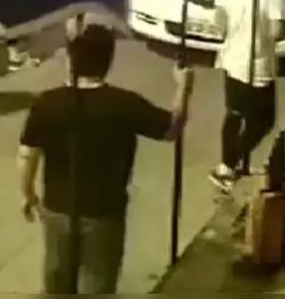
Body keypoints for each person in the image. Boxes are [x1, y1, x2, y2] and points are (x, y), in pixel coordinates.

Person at [18, 21, 194, 294]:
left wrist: (27, 194)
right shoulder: (124, 104)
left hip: (57, 208)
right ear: (108, 61)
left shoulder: (47, 103)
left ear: (71, 60)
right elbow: (172, 128)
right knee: (97, 285)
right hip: (104, 212)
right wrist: (184, 87)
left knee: (56, 282)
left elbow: (27, 154)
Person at [209, 0, 285, 193]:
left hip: (232, 57)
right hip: (258, 63)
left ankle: (227, 166)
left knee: (234, 112)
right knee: (264, 120)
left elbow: (219, 21)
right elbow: (278, 31)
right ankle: (232, 162)